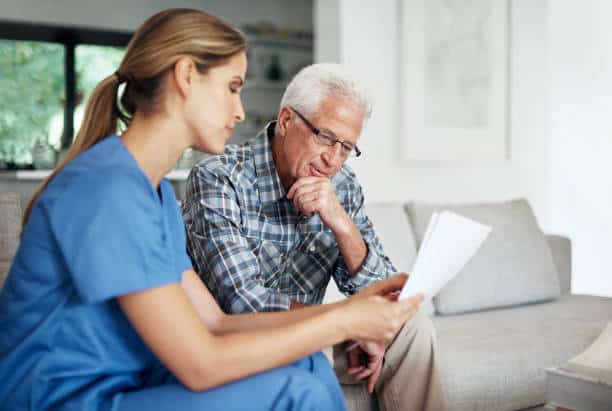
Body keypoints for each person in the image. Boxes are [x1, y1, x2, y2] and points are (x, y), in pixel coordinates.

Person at [0, 9, 423, 411]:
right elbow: (201, 362)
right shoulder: (105, 189)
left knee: (308, 363)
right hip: (66, 401)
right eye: (233, 87)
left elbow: (216, 323)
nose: (240, 111)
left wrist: (352, 312)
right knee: (295, 388)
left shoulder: (158, 195)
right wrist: (345, 323)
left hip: (126, 385)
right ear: (186, 76)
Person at [183, 63, 447, 411]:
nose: (333, 160)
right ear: (288, 119)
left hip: (316, 333)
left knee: (413, 328)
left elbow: (387, 293)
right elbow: (243, 303)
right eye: (325, 137)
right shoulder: (219, 179)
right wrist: (343, 322)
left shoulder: (343, 185)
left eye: (346, 147)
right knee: (317, 343)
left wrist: (340, 222)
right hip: (243, 344)